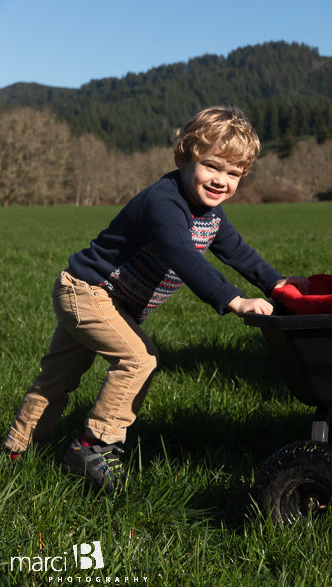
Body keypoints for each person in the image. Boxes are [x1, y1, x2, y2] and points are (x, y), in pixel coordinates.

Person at [2, 106, 307, 491]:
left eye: (233, 174)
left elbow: (237, 252)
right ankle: (93, 446)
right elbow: (182, 257)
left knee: (57, 377)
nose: (221, 181)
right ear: (183, 158)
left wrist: (277, 285)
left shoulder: (211, 215)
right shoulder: (164, 203)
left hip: (109, 301)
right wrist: (235, 301)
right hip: (85, 292)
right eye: (212, 167)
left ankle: (17, 451)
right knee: (139, 358)